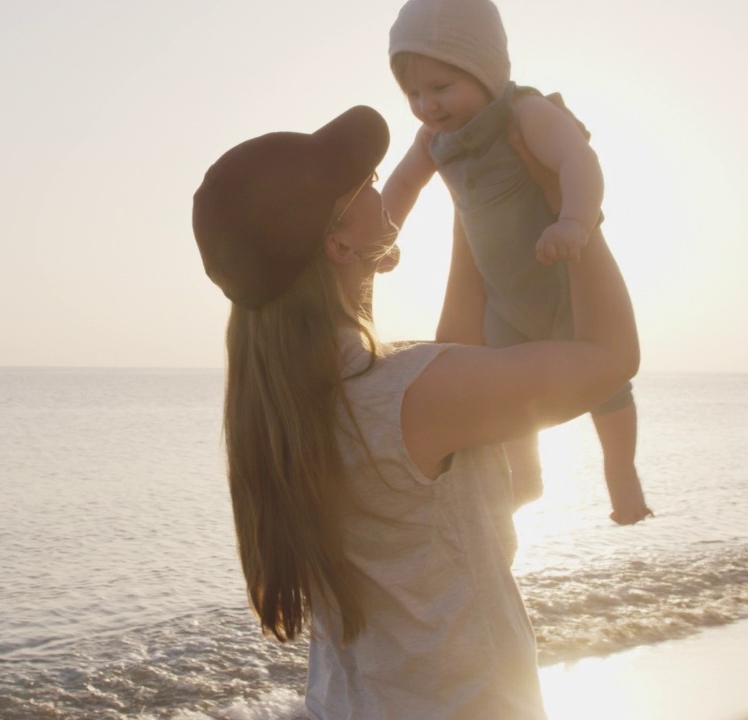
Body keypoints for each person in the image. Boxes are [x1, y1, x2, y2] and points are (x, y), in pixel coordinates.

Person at [191, 104, 638, 718]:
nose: (380, 183)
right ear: (338, 243)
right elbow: (611, 358)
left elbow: (458, 351)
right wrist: (572, 207)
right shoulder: (413, 394)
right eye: (366, 184)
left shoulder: (284, 410)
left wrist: (470, 202)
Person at [382, 0, 652, 524]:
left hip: (560, 282)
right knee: (506, 392)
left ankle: (621, 470)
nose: (427, 105)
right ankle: (525, 478)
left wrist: (573, 221)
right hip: (502, 299)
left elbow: (578, 158)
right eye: (413, 93)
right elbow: (402, 186)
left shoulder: (524, 111)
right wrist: (382, 239)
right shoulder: (433, 140)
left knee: (609, 388)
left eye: (441, 87)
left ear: (486, 70)